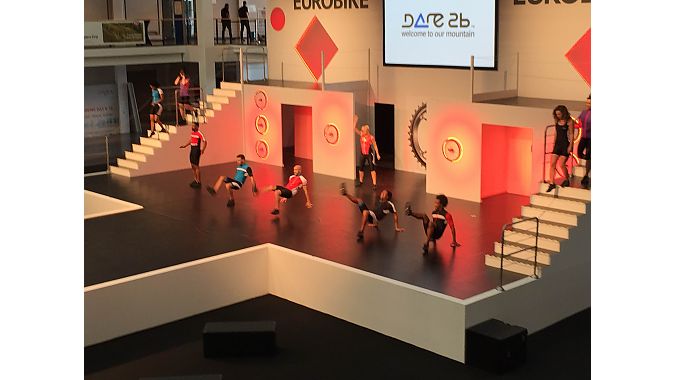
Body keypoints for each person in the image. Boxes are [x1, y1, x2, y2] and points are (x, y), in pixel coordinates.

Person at [340, 183, 404, 241]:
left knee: (365, 212)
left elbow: (395, 214)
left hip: (372, 217)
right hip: (371, 215)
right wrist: (375, 224)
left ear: (387, 197)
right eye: (382, 192)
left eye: (384, 193)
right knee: (359, 200)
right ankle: (345, 194)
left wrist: (397, 227)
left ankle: (361, 231)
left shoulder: (389, 204)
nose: (382, 194)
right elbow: (380, 212)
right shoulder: (378, 201)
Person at [547, 105, 575, 192]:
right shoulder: (557, 120)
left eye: (559, 114)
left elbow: (571, 134)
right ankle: (552, 183)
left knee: (561, 164)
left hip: (565, 145)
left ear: (563, 113)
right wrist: (554, 143)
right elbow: (556, 132)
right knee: (552, 164)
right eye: (556, 114)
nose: (558, 116)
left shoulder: (569, 121)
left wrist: (571, 146)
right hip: (557, 145)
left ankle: (567, 179)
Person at [353, 114, 381, 191]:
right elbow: (354, 129)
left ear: (367, 131)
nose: (361, 131)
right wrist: (355, 121)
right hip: (362, 154)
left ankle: (374, 184)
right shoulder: (361, 134)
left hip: (369, 154)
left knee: (372, 168)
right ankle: (361, 182)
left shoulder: (371, 137)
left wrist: (377, 154)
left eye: (363, 130)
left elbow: (375, 145)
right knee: (361, 168)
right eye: (361, 130)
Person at [179, 123, 207, 188]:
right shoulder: (192, 133)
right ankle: (195, 180)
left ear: (197, 127)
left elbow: (205, 141)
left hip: (196, 150)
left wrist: (203, 149)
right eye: (192, 125)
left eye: (194, 126)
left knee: (196, 166)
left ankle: (199, 182)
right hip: (192, 149)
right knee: (192, 165)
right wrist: (185, 145)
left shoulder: (199, 133)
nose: (192, 127)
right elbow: (191, 140)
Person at [577, 94, 591, 189]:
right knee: (579, 153)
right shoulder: (584, 112)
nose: (587, 104)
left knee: (589, 157)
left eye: (589, 103)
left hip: (592, 138)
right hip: (584, 137)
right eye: (586, 102)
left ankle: (586, 175)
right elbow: (578, 121)